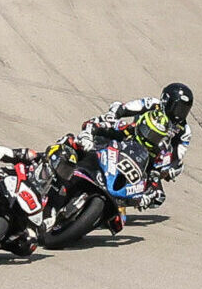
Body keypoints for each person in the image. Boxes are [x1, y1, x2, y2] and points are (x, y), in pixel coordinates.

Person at [70, 83, 194, 213]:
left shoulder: (184, 130)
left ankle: (122, 199)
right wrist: (113, 115)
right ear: (166, 100)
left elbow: (178, 154)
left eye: (184, 110)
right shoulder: (152, 104)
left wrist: (171, 167)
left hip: (153, 154)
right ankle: (78, 157)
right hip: (132, 134)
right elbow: (125, 108)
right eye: (178, 108)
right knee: (98, 137)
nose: (179, 114)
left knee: (158, 197)